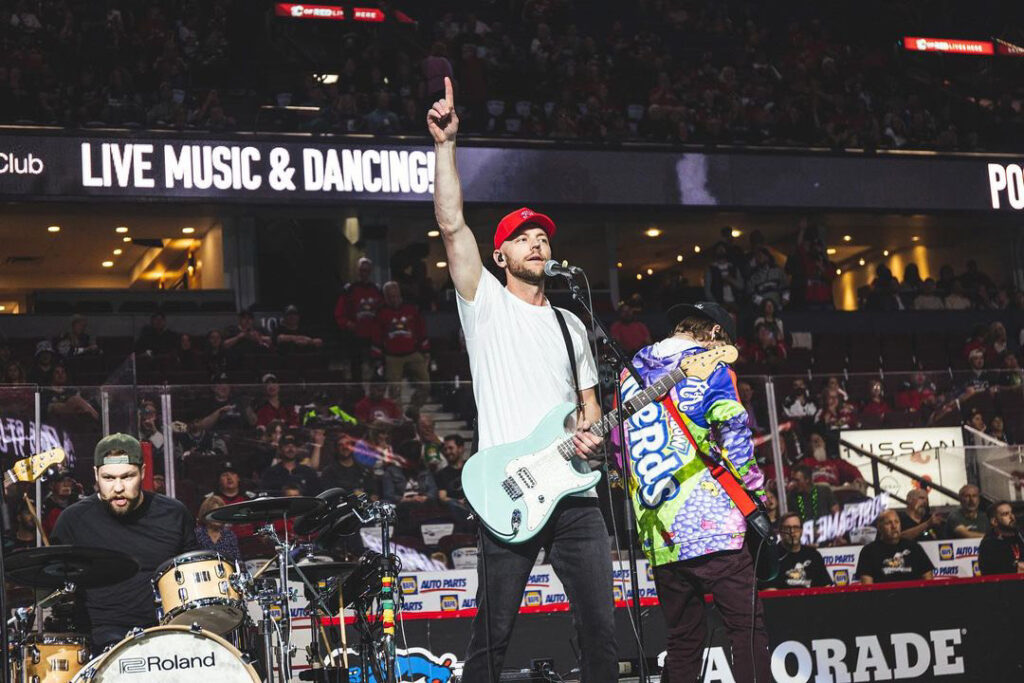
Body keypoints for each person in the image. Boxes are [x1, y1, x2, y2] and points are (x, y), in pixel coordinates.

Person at [429, 77, 616, 682]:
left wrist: (593, 436)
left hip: (576, 496)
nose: (537, 242)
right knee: (493, 632)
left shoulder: (571, 322)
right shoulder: (484, 301)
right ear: (501, 255)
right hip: (510, 486)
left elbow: (587, 405)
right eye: (522, 237)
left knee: (600, 629)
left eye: (543, 237)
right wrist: (446, 147)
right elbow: (453, 225)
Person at [621, 301, 770, 682]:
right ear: (716, 334)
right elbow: (734, 430)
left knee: (683, 638)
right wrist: (754, 490)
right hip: (714, 524)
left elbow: (621, 454)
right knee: (746, 628)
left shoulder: (628, 373)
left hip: (659, 531)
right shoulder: (714, 367)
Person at [52, 433, 198, 649]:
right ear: (96, 475)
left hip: (168, 630)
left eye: (127, 477)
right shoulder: (73, 520)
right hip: (102, 637)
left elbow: (193, 575)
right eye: (108, 478)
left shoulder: (174, 513)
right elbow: (53, 582)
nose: (118, 487)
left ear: (143, 472)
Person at [373, 281, 431, 392]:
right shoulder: (381, 312)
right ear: (385, 297)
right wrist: (378, 359)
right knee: (394, 390)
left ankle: (413, 409)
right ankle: (397, 410)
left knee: (425, 385)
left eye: (396, 296)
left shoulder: (411, 309)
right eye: (390, 297)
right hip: (392, 356)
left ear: (400, 294)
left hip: (413, 353)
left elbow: (421, 330)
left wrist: (426, 351)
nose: (394, 299)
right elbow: (377, 337)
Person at [334, 257, 383, 381]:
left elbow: (382, 312)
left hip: (373, 336)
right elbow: (339, 313)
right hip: (354, 335)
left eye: (367, 270)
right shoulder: (349, 289)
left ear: (370, 272)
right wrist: (347, 324)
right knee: (355, 367)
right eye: (362, 270)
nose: (364, 273)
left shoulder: (377, 290)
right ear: (358, 271)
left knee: (375, 368)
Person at [855, 510, 934, 584]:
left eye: (897, 522)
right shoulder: (869, 551)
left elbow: (929, 581)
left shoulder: (914, 547)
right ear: (879, 527)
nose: (894, 526)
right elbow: (867, 587)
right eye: (888, 523)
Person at [763, 512, 833, 590]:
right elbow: (769, 591)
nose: (792, 532)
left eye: (796, 527)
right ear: (780, 531)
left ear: (801, 531)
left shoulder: (813, 555)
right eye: (787, 528)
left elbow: (826, 587)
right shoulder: (772, 557)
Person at [319, 431, 378, 498]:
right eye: (340, 445)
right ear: (336, 449)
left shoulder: (365, 470)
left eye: (347, 444)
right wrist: (353, 494)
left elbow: (374, 495)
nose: (345, 447)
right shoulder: (329, 472)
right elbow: (329, 497)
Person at [977, 501, 1024, 575]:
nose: (1012, 517)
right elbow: (993, 571)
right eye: (1006, 514)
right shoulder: (989, 544)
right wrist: (1015, 568)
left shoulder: (1020, 536)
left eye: (1012, 513)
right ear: (995, 521)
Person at [195, 495, 241, 561]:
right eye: (214, 513)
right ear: (206, 513)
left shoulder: (229, 535)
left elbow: (237, 561)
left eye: (220, 513)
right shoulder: (197, 534)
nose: (218, 516)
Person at [41, 469, 81, 535]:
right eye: (61, 481)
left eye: (69, 480)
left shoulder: (78, 503)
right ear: (51, 485)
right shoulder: (44, 508)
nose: (66, 484)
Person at [436, 434, 467, 504]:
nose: (447, 452)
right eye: (445, 449)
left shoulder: (470, 467)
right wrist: (458, 502)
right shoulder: (441, 474)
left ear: (460, 449)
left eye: (451, 448)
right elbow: (442, 497)